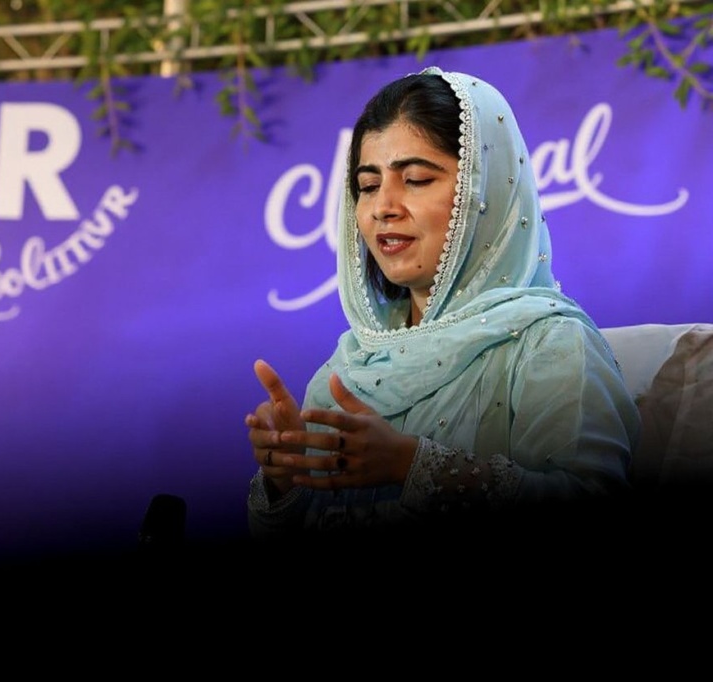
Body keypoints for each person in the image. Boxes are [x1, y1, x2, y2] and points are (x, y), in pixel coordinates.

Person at [244, 67, 641, 545]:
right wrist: (285, 477)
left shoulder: (548, 343)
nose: (383, 206)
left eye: (414, 179)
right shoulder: (347, 371)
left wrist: (410, 465)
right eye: (368, 186)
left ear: (484, 193)